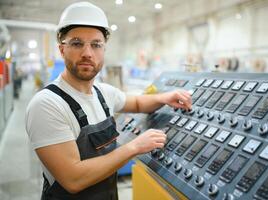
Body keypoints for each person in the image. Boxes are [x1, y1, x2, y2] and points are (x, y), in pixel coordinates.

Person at [25, 2, 192, 200]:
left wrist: (164, 97)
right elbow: (73, 179)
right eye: (77, 43)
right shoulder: (47, 104)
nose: (87, 53)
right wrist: (134, 147)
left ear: (103, 50)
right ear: (62, 50)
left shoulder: (103, 93)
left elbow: (138, 103)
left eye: (96, 45)